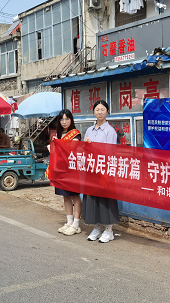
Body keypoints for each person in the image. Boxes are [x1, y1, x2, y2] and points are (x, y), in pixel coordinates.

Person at [82, 100, 120, 243]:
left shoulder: (110, 131)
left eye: (102, 109)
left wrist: (105, 174)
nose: (100, 112)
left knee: (106, 200)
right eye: (97, 109)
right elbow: (86, 151)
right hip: (91, 170)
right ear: (93, 111)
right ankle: (97, 227)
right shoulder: (89, 130)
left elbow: (110, 154)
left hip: (104, 170)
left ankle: (109, 230)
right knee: (93, 200)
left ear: (107, 112)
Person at [50, 109, 83, 236]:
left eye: (67, 119)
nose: (64, 122)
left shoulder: (75, 134)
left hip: (72, 170)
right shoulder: (57, 135)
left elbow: (70, 149)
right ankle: (69, 222)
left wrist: (55, 145)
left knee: (75, 196)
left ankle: (76, 224)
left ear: (71, 120)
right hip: (61, 170)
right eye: (62, 119)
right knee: (66, 196)